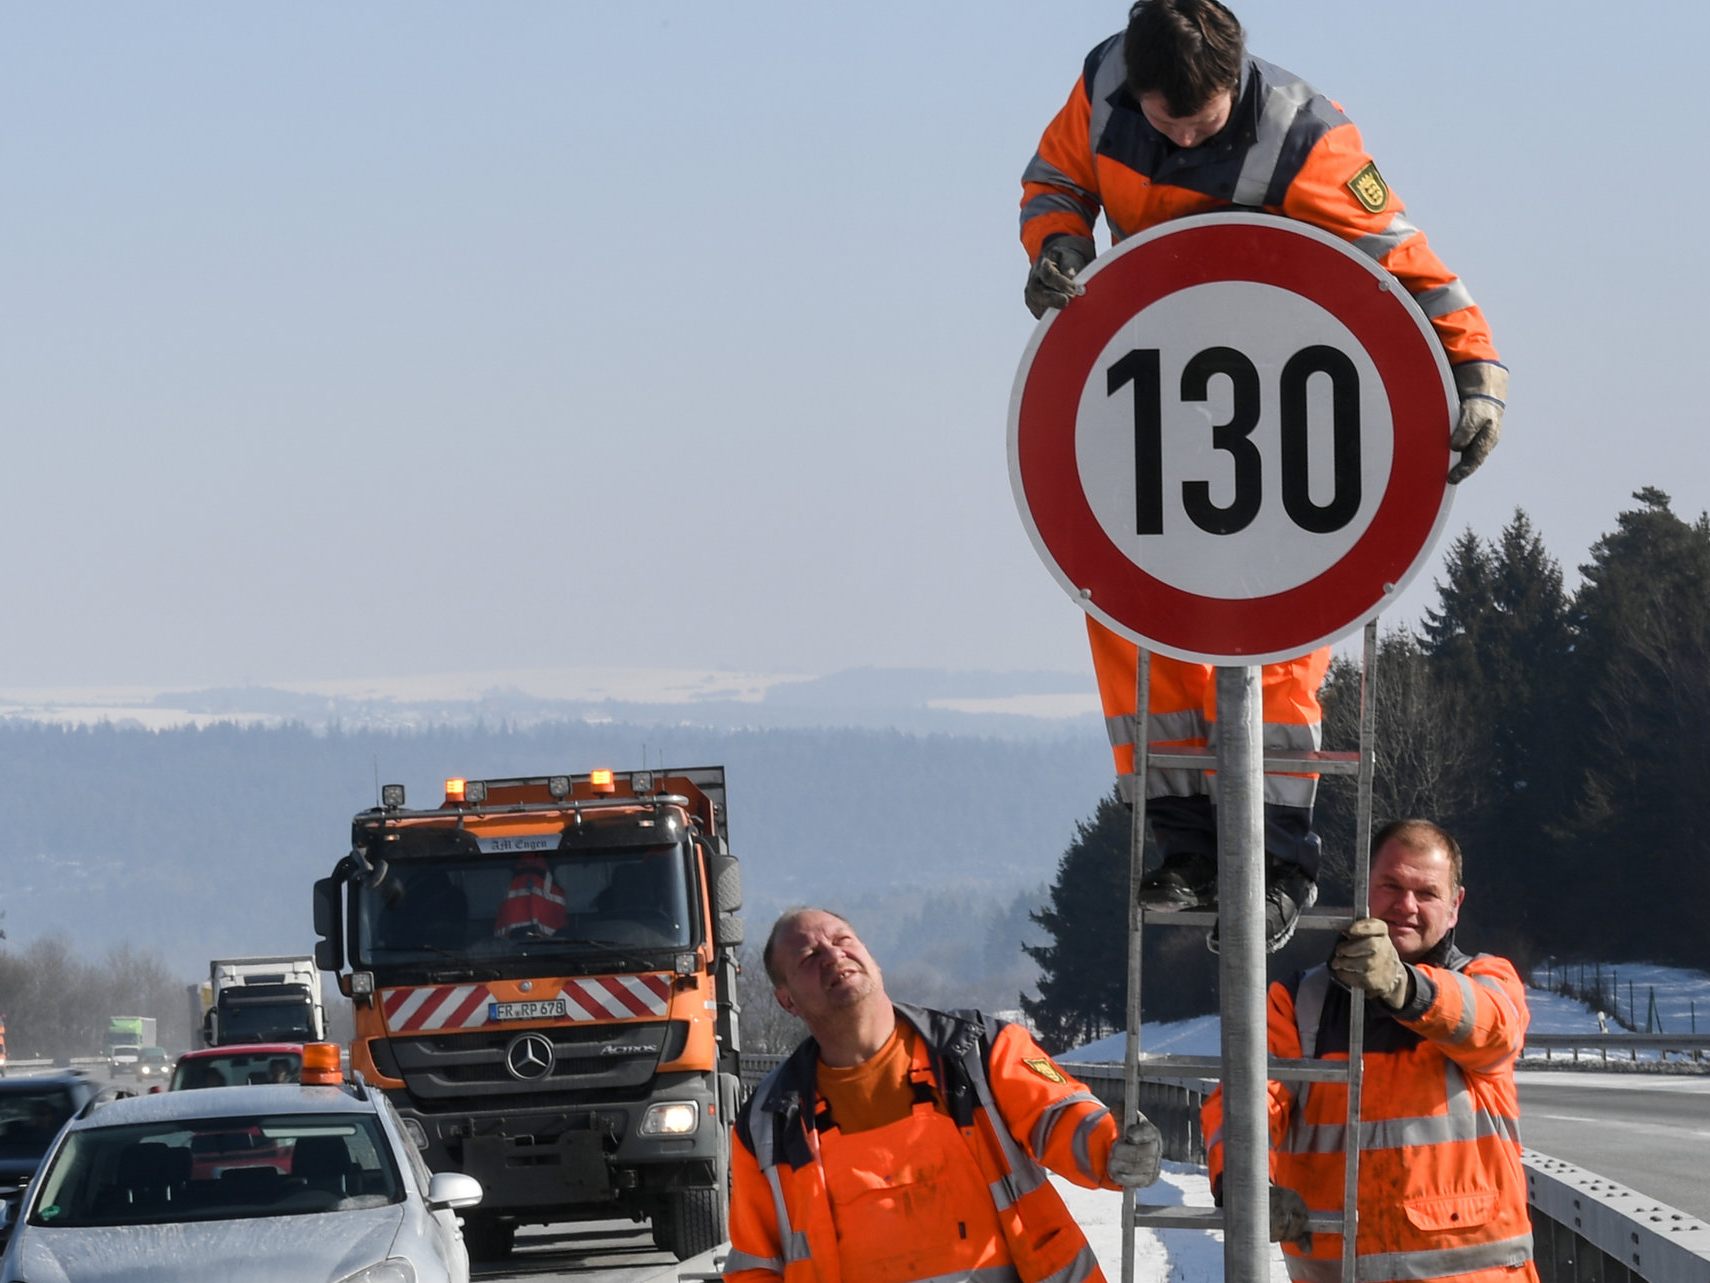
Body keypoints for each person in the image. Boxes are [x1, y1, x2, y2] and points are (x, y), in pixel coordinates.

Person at [1018, 0, 1506, 953]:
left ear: (1234, 82)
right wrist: (1057, 245)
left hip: (1281, 431)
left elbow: (1403, 257)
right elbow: (1052, 181)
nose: (1181, 136)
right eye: (1166, 122)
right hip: (1150, 412)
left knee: (1281, 655)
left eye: (1199, 122)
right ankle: (1187, 842)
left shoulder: (1303, 133)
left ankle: (1281, 859)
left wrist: (1475, 368)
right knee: (1130, 628)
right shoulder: (1104, 85)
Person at [728, 908, 1165, 1283]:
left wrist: (1111, 1147)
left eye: (842, 939)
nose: (833, 955)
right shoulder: (767, 1122)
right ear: (786, 1001)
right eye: (809, 956)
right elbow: (755, 1266)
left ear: (873, 961)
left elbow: (1057, 1114)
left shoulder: (979, 1050)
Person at [1202, 820, 1537, 1282]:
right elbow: (1247, 1101)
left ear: (1455, 905)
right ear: (1364, 890)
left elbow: (1494, 1028)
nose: (1406, 906)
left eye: (1427, 893)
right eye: (1391, 886)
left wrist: (1403, 988)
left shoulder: (1487, 980)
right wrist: (1246, 1183)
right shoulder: (1300, 1002)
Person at [493, 853, 568, 939]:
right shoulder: (552, 884)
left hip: (511, 947)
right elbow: (561, 927)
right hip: (549, 946)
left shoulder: (507, 882)